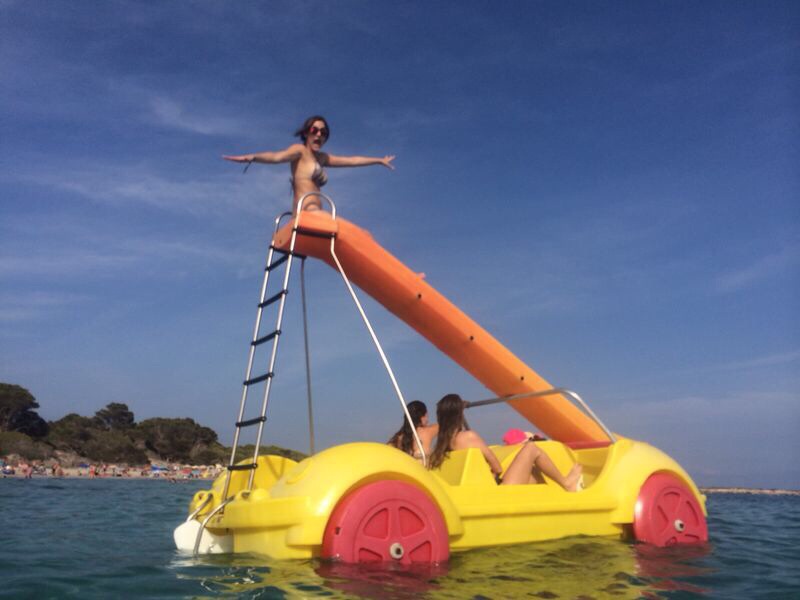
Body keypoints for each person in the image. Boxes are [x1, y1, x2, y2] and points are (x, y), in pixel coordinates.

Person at [223, 115, 396, 213]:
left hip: (317, 213)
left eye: (323, 132)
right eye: (314, 130)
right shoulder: (299, 151)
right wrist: (251, 157)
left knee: (357, 235)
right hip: (306, 212)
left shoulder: (322, 158)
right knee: (346, 232)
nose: (319, 135)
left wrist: (378, 160)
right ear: (306, 133)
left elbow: (351, 160)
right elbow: (276, 157)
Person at [429, 394, 582, 491]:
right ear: (459, 414)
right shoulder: (468, 436)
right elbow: (497, 466)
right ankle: (566, 483)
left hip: (473, 491)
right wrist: (492, 473)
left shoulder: (441, 446)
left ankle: (555, 498)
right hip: (497, 491)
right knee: (531, 449)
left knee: (534, 471)